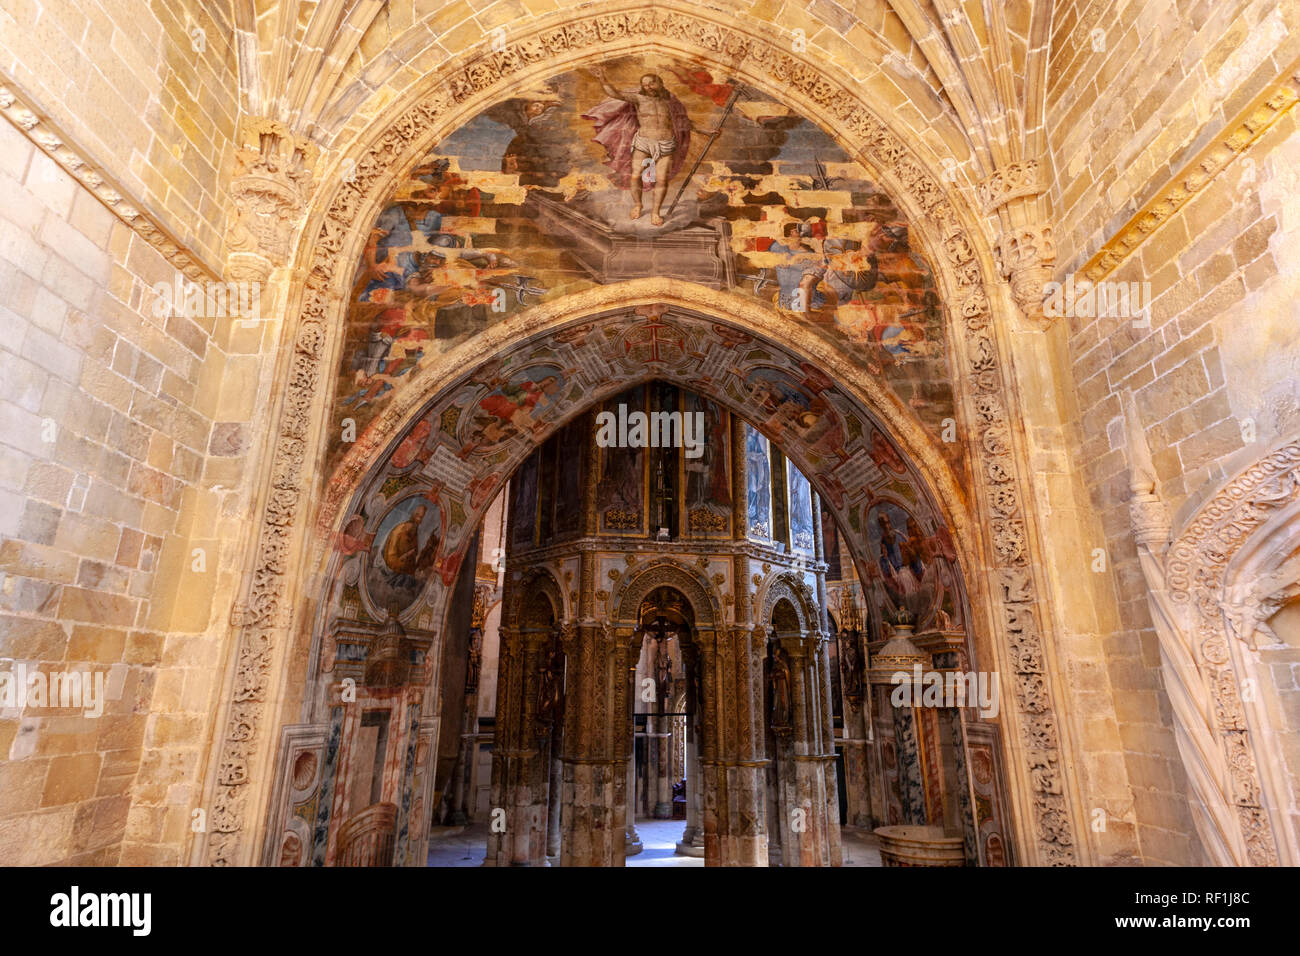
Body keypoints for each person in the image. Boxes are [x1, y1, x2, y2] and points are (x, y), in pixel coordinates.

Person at [583, 67, 716, 226]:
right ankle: (638, 205)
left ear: (660, 83)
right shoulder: (639, 99)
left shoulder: (671, 102)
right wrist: (602, 78)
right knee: (636, 175)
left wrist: (706, 131)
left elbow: (684, 122)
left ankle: (655, 212)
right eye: (645, 85)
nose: (648, 87)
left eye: (652, 83)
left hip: (666, 144)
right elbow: (614, 93)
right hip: (643, 142)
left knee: (661, 179)